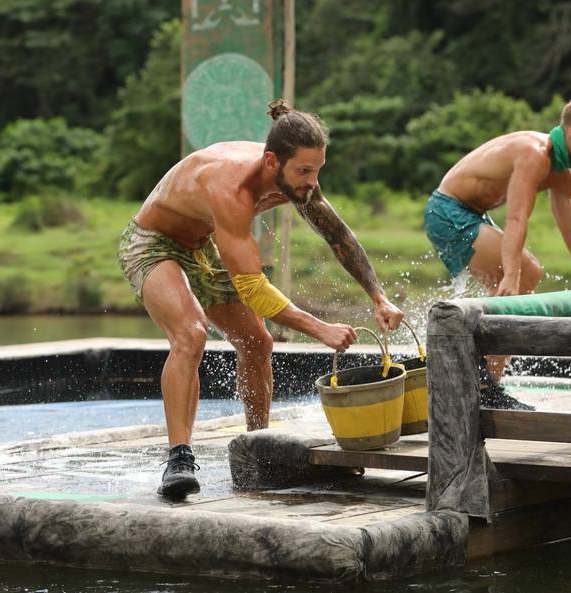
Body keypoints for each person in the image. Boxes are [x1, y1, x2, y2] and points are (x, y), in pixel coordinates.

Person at [118, 99, 403, 499]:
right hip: (153, 245)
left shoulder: (297, 181)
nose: (311, 181)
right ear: (272, 162)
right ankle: (179, 459)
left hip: (202, 243)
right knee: (191, 333)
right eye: (303, 171)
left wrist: (379, 297)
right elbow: (252, 286)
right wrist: (318, 327)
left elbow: (338, 236)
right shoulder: (230, 189)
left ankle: (258, 449)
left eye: (317, 170)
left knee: (257, 342)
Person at [423, 95, 571, 403]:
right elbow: (516, 217)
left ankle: (481, 384)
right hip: (446, 211)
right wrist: (512, 273)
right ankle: (479, 380)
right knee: (526, 274)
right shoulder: (534, 154)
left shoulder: (561, 173)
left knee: (511, 290)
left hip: (473, 215)